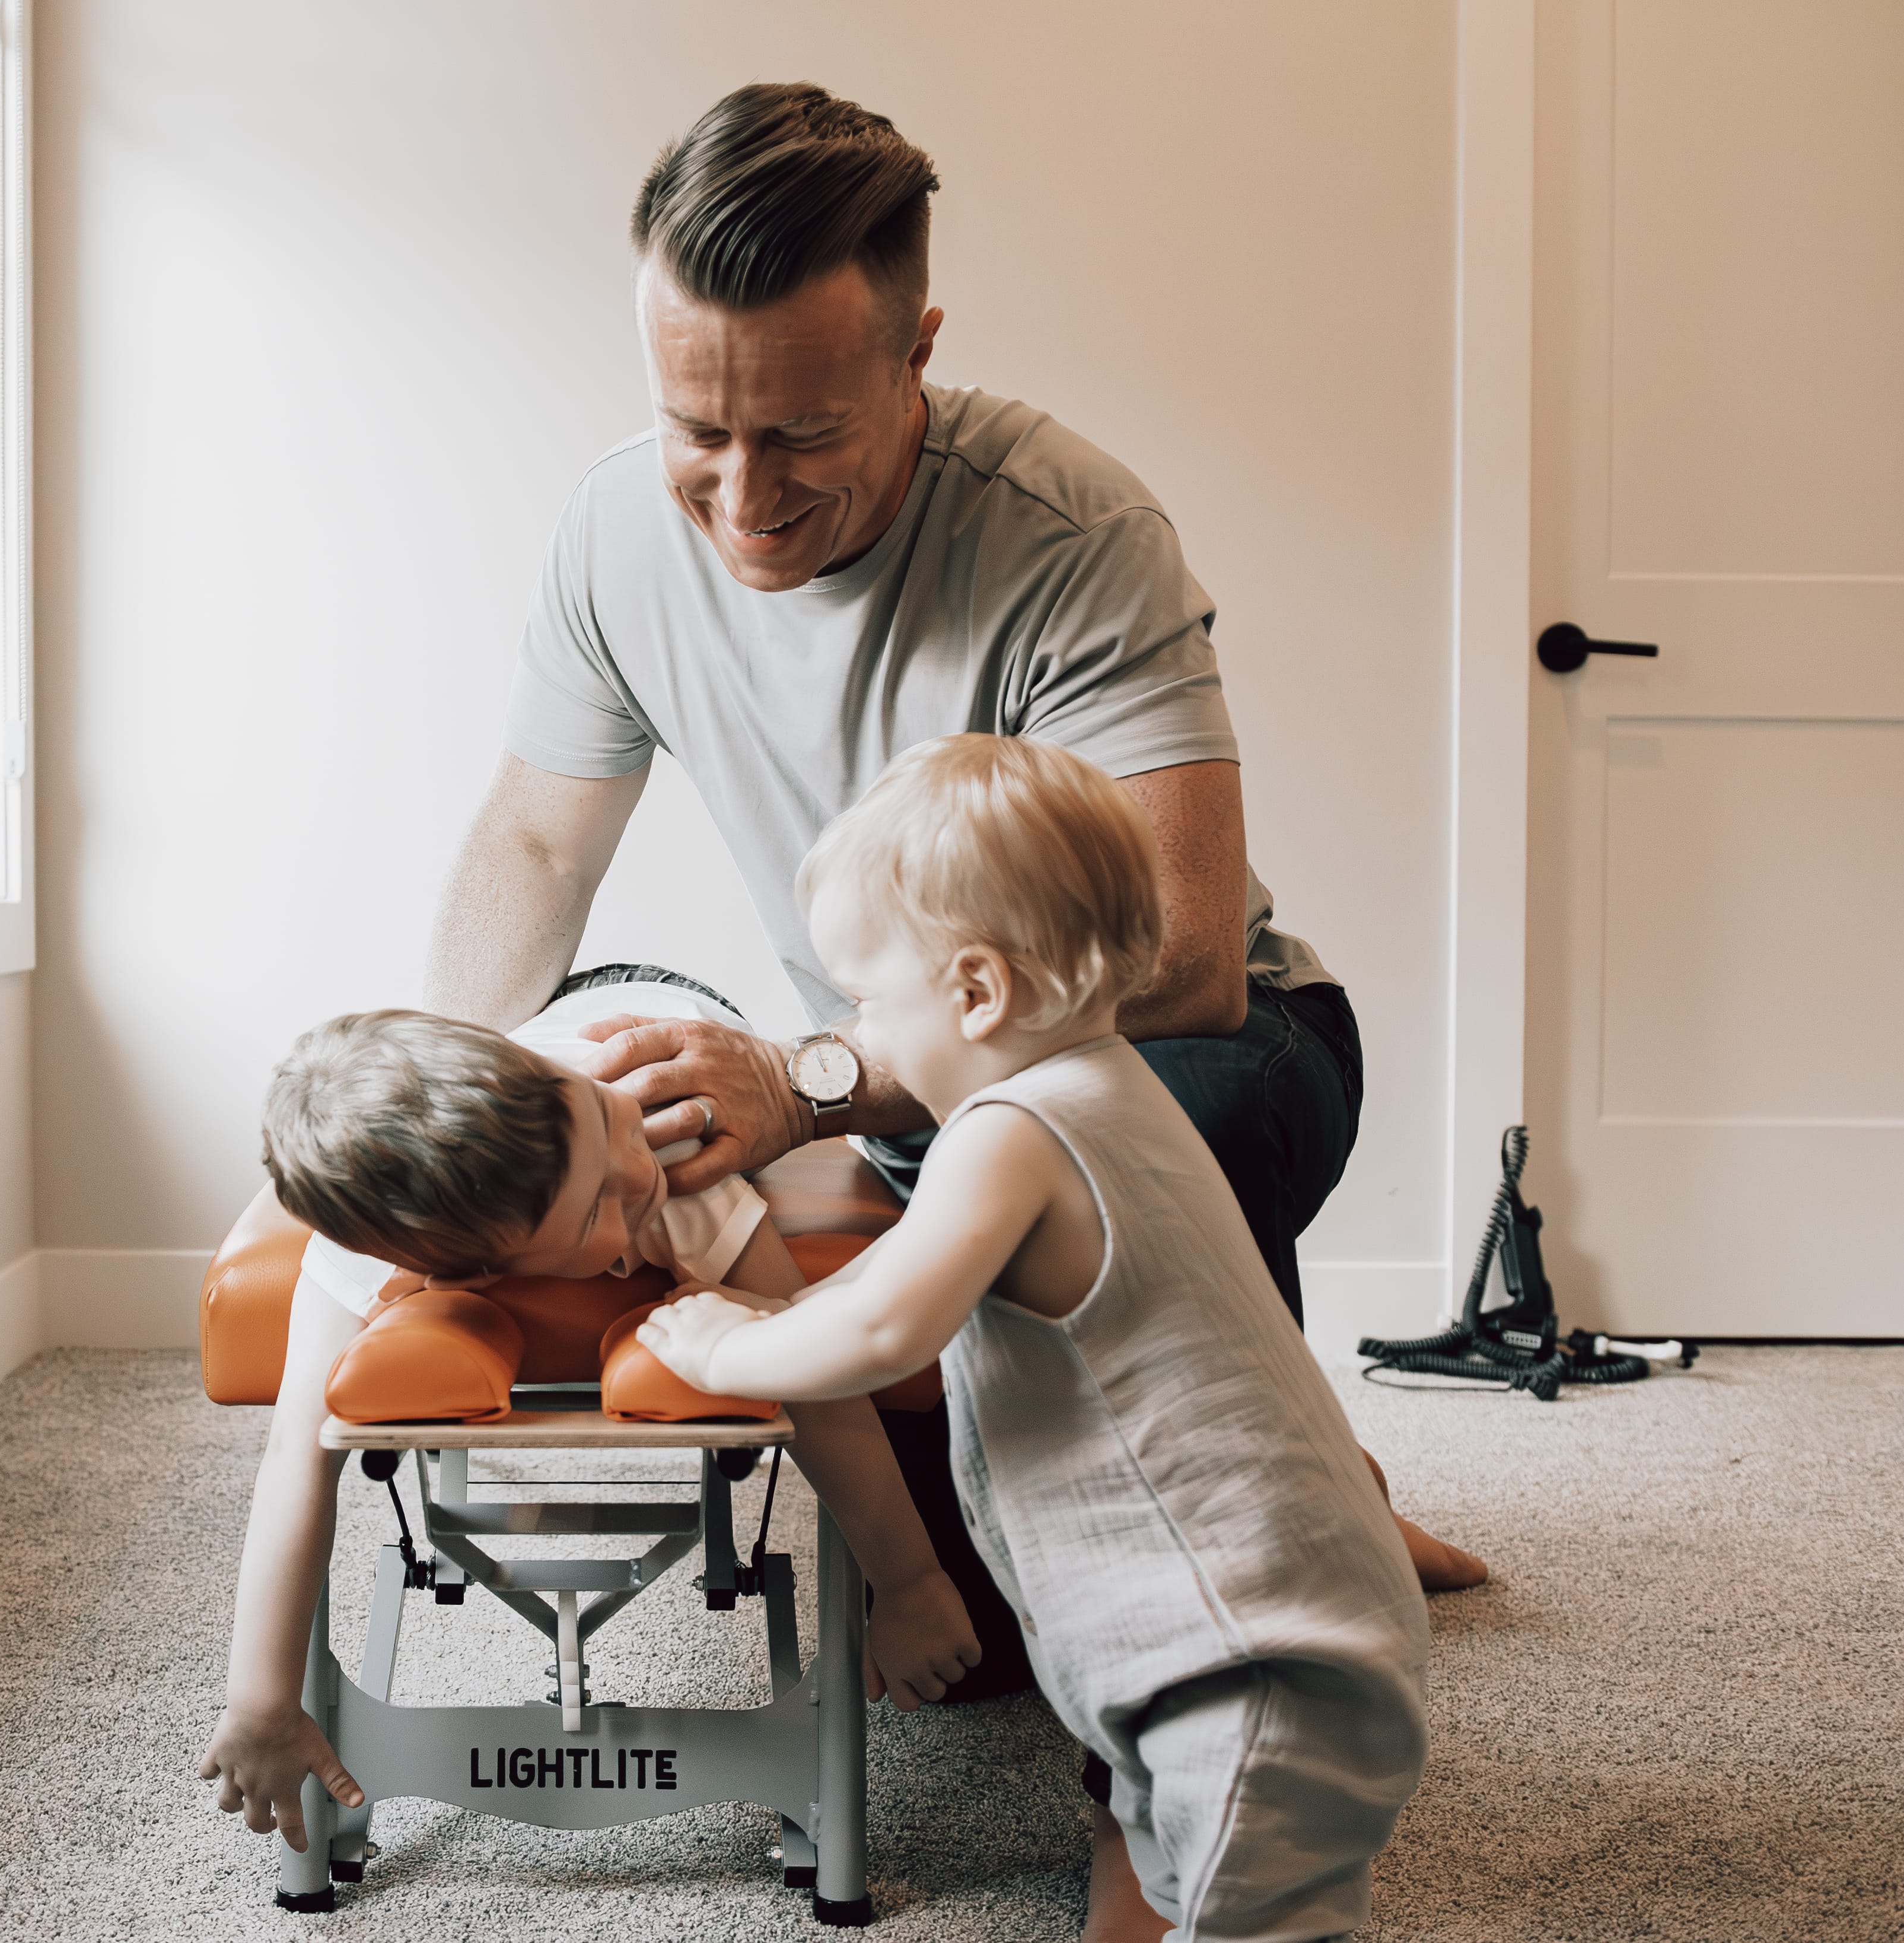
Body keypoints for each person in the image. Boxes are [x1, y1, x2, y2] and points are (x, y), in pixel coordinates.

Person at [423, 81, 1478, 1938]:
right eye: (697, 427)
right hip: (911, 1075)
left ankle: (1147, 1783)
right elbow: (529, 839)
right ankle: (1324, 1473)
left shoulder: (1070, 528)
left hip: (1172, 1046)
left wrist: (816, 1073)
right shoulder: (613, 536)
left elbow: (1179, 951)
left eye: (805, 432)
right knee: (969, 1623)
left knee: (1134, 1111)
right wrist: (441, 1102)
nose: (742, 498)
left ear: (918, 350)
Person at [639, 737, 1429, 1942]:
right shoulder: (1110, 1088)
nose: (858, 1032)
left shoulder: (1010, 1134)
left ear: (975, 993)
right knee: (1185, 1894)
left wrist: (721, 1348)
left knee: (1261, 1918)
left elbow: (886, 1320)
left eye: (866, 1000)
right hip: (1225, 1640)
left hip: (1249, 1662)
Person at [193, 975, 983, 1854]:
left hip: (659, 1009)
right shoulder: (355, 1258)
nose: (635, 1176)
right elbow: (295, 1465)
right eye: (596, 1213)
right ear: (465, 1275)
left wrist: (908, 1580)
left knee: (636, 1135)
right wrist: (260, 1701)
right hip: (537, 1098)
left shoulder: (669, 1148)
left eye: (605, 1135)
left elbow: (821, 1381)